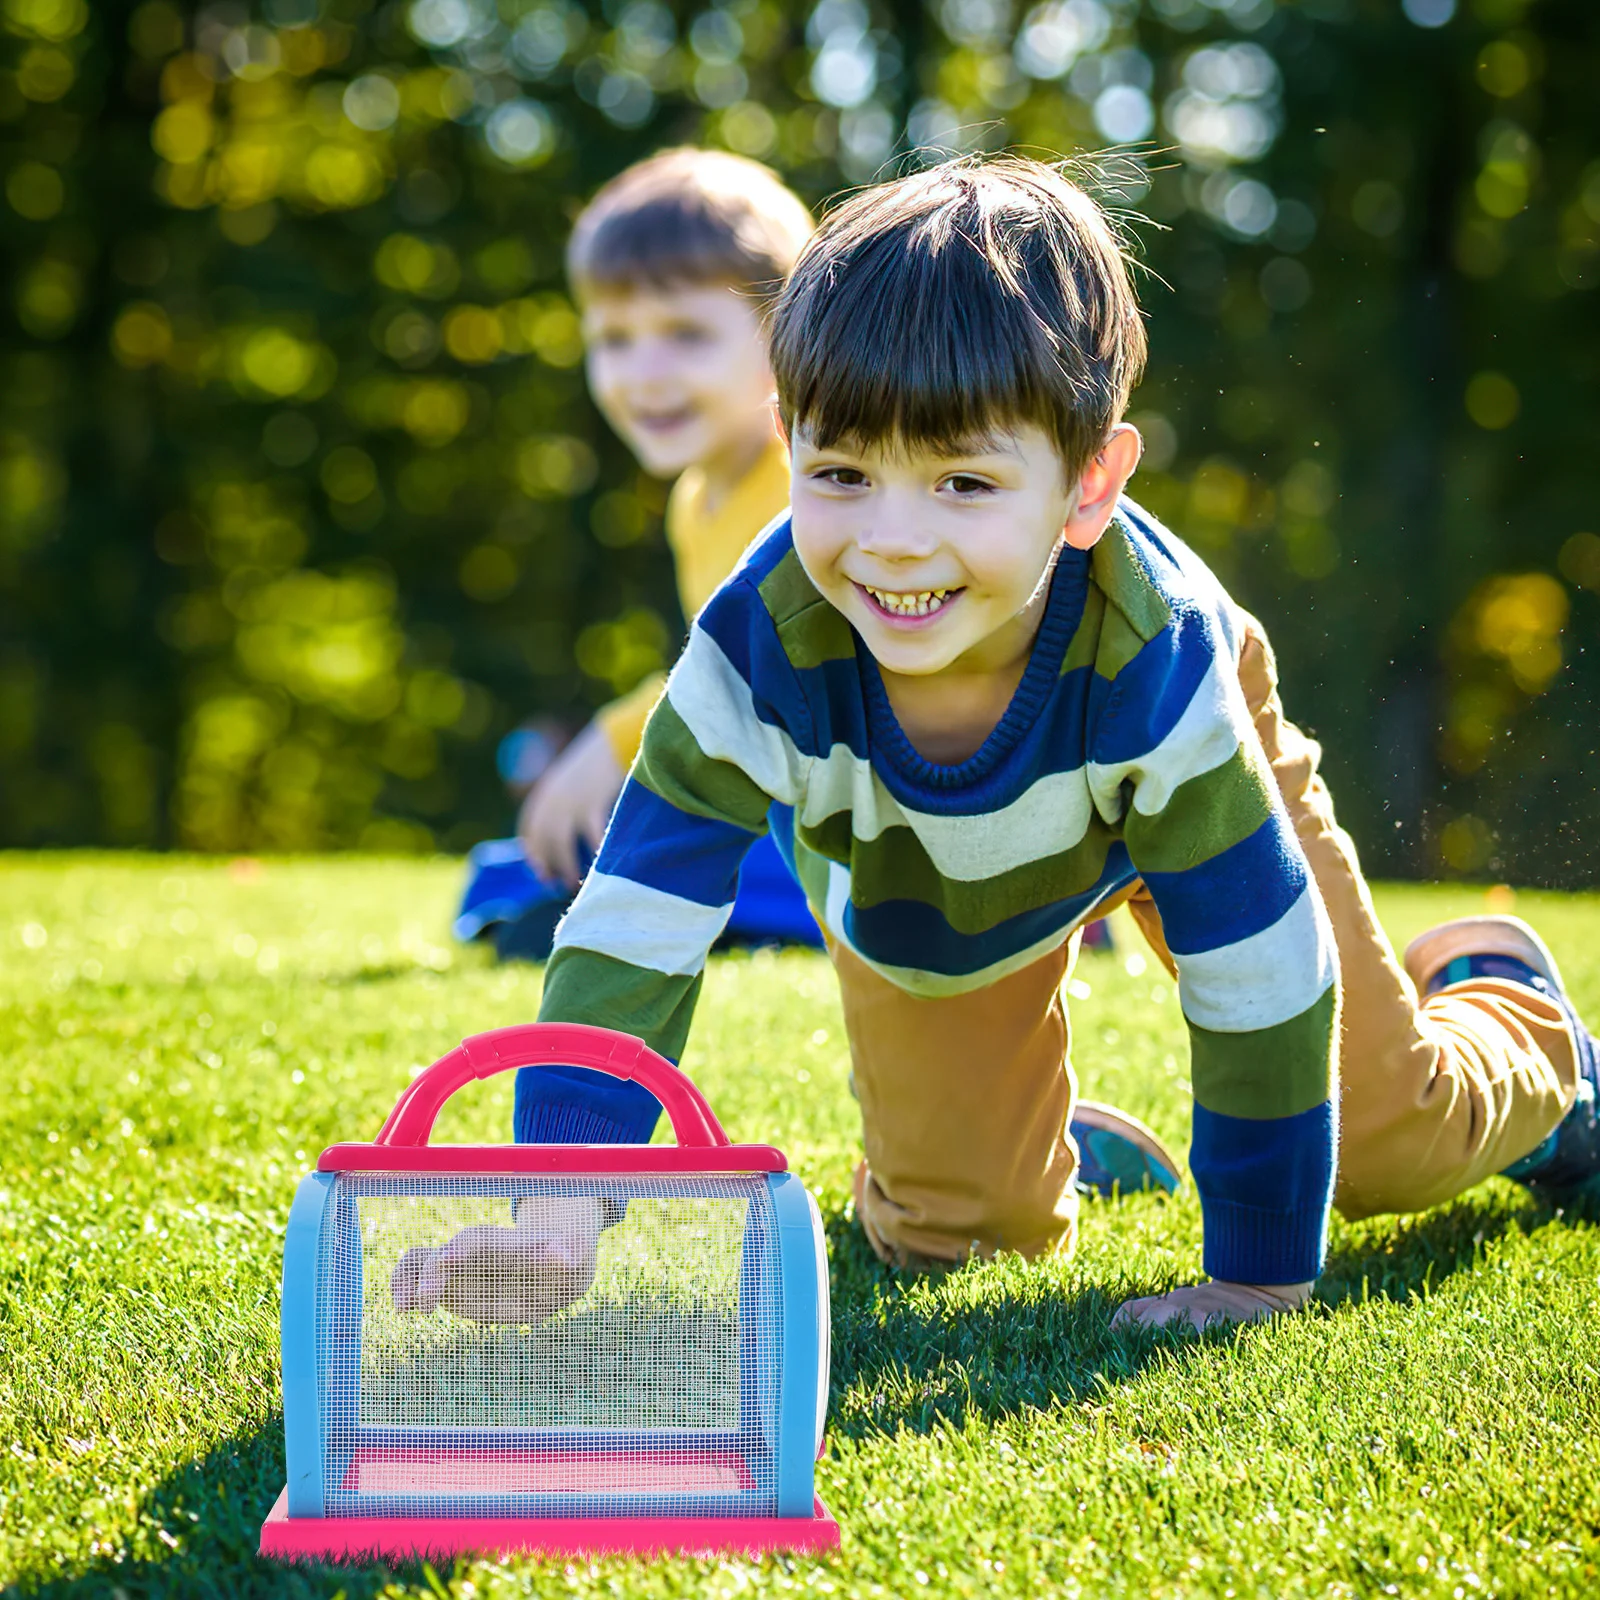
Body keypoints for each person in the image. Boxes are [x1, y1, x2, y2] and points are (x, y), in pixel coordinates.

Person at [396, 155, 1598, 1332]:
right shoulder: (758, 642)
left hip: (1169, 777)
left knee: (1381, 1144)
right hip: (932, 869)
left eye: (964, 483)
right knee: (954, 1234)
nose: (894, 542)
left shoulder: (1159, 660)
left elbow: (1258, 969)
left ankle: (1517, 1021)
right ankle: (1047, 1144)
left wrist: (1256, 1268)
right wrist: (554, 1212)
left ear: (1088, 485)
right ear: (786, 438)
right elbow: (634, 920)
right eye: (841, 473)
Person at [471, 148, 821, 959]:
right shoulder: (696, 500)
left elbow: (774, 665)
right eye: (615, 339)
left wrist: (615, 739)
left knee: (600, 862)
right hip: (783, 813)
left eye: (687, 334)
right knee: (515, 868)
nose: (645, 375)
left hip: (880, 820)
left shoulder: (815, 482)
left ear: (787, 334)